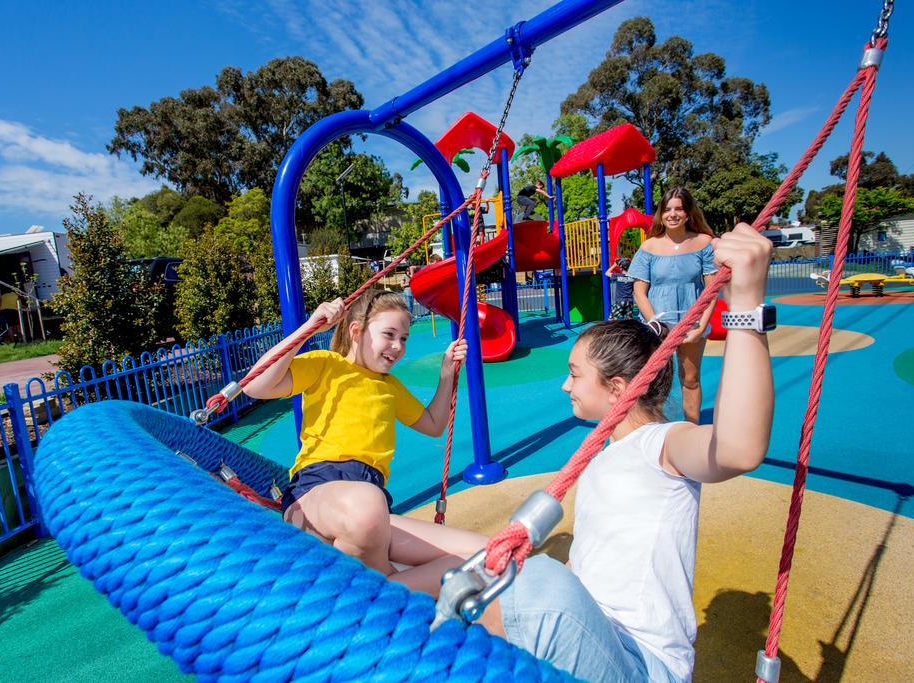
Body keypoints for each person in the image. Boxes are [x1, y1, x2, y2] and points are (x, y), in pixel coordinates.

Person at [390, 223, 775, 683]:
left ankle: (395, 639)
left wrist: (746, 304)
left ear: (616, 389)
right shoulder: (606, 456)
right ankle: (369, 567)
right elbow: (593, 568)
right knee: (470, 554)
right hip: (590, 635)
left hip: (639, 662)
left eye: (575, 374)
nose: (565, 385)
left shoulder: (663, 444)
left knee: (536, 581)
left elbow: (737, 449)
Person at [242, 289, 468, 581]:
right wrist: (308, 330)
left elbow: (434, 424)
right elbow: (255, 385)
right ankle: (383, 587)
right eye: (389, 334)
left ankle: (389, 589)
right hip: (315, 493)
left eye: (403, 338)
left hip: (370, 504)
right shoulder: (327, 365)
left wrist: (446, 373)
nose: (398, 346)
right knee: (367, 505)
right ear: (356, 331)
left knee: (482, 554)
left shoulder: (390, 386)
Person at [627, 188, 717, 423]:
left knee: (690, 379)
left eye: (679, 208)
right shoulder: (649, 247)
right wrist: (657, 326)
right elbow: (640, 291)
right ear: (661, 214)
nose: (672, 214)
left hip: (692, 322)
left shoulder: (703, 243)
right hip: (659, 327)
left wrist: (700, 327)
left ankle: (691, 428)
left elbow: (711, 289)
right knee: (656, 381)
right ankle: (655, 430)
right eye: (667, 209)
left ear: (688, 213)